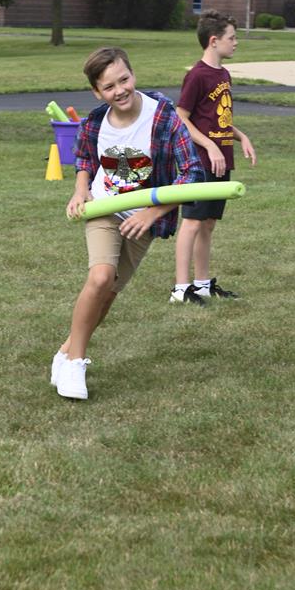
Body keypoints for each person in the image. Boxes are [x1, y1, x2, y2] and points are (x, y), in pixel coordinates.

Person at [52, 46, 203, 400]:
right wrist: (80, 190)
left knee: (108, 295)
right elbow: (84, 159)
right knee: (100, 277)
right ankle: (75, 363)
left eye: (124, 79)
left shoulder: (163, 118)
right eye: (109, 86)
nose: (119, 90)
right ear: (97, 92)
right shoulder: (94, 122)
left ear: (133, 74)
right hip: (105, 206)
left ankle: (64, 352)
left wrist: (153, 212)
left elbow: (192, 173)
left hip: (143, 218)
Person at [169, 9, 256, 306]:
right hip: (200, 163)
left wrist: (241, 136)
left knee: (207, 224)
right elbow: (181, 118)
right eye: (232, 37)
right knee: (192, 223)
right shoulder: (197, 75)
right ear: (214, 41)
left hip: (220, 161)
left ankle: (203, 284)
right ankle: (181, 289)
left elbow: (217, 118)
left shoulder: (223, 74)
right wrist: (210, 146)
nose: (236, 42)